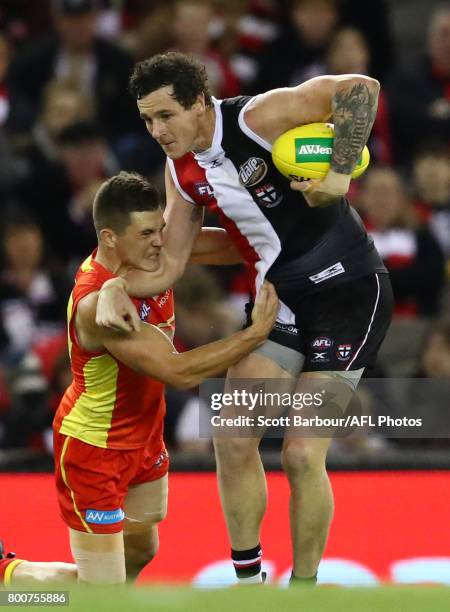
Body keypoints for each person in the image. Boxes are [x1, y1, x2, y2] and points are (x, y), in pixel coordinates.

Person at [96, 52, 393, 585]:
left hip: (349, 293)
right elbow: (170, 264)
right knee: (231, 437)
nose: (157, 131)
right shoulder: (181, 172)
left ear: (197, 104)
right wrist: (112, 285)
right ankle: (250, 584)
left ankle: (304, 590)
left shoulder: (258, 117)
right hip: (281, 303)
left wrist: (340, 174)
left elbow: (360, 87)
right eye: (147, 119)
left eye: (166, 116)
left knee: (302, 455)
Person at [0, 171, 278, 586]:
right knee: (103, 597)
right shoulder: (98, 305)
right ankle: (10, 580)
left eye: (161, 230)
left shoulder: (152, 260)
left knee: (142, 549)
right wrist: (256, 334)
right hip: (94, 448)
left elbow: (229, 247)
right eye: (147, 233)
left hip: (145, 436)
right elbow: (178, 371)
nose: (160, 241)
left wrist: (284, 232)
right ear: (111, 238)